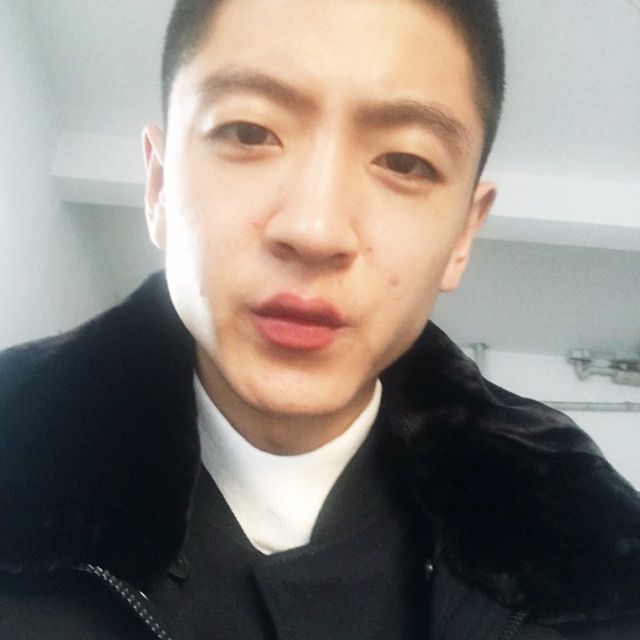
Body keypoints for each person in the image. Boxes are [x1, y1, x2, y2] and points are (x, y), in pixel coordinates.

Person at [1, 0, 639, 638]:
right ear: (160, 187)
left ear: (462, 236)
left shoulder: (599, 569)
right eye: (249, 131)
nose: (315, 230)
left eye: (405, 162)